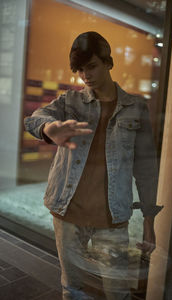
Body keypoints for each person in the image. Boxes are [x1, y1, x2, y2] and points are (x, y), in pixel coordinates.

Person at [24, 31, 163, 300]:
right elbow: (35, 118)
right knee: (72, 288)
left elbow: (146, 169)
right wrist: (51, 128)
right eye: (79, 69)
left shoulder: (135, 108)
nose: (85, 75)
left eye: (92, 66)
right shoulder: (70, 102)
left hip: (111, 219)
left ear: (109, 63)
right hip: (68, 212)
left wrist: (149, 221)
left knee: (118, 292)